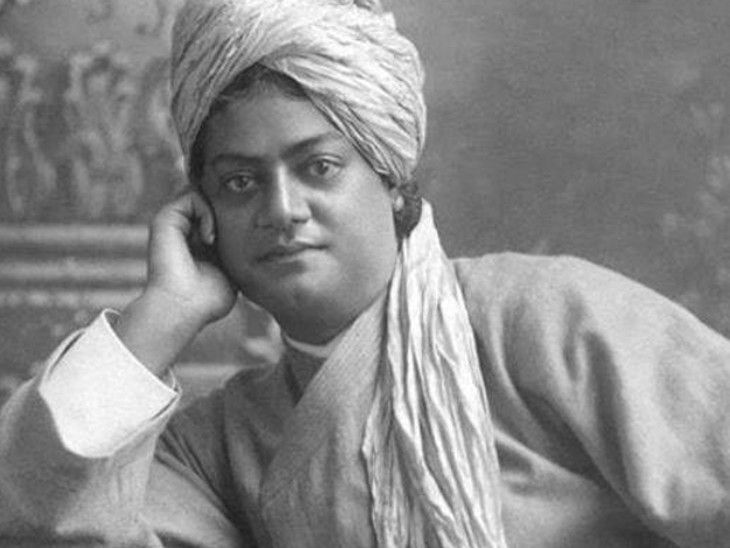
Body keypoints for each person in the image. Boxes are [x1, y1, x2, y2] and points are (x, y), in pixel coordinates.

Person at [1, 0, 730, 546]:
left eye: (318, 167)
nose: (282, 210)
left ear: (389, 177)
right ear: (206, 215)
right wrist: (164, 311)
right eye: (240, 183)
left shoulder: (539, 321)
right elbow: (38, 521)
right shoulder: (213, 448)